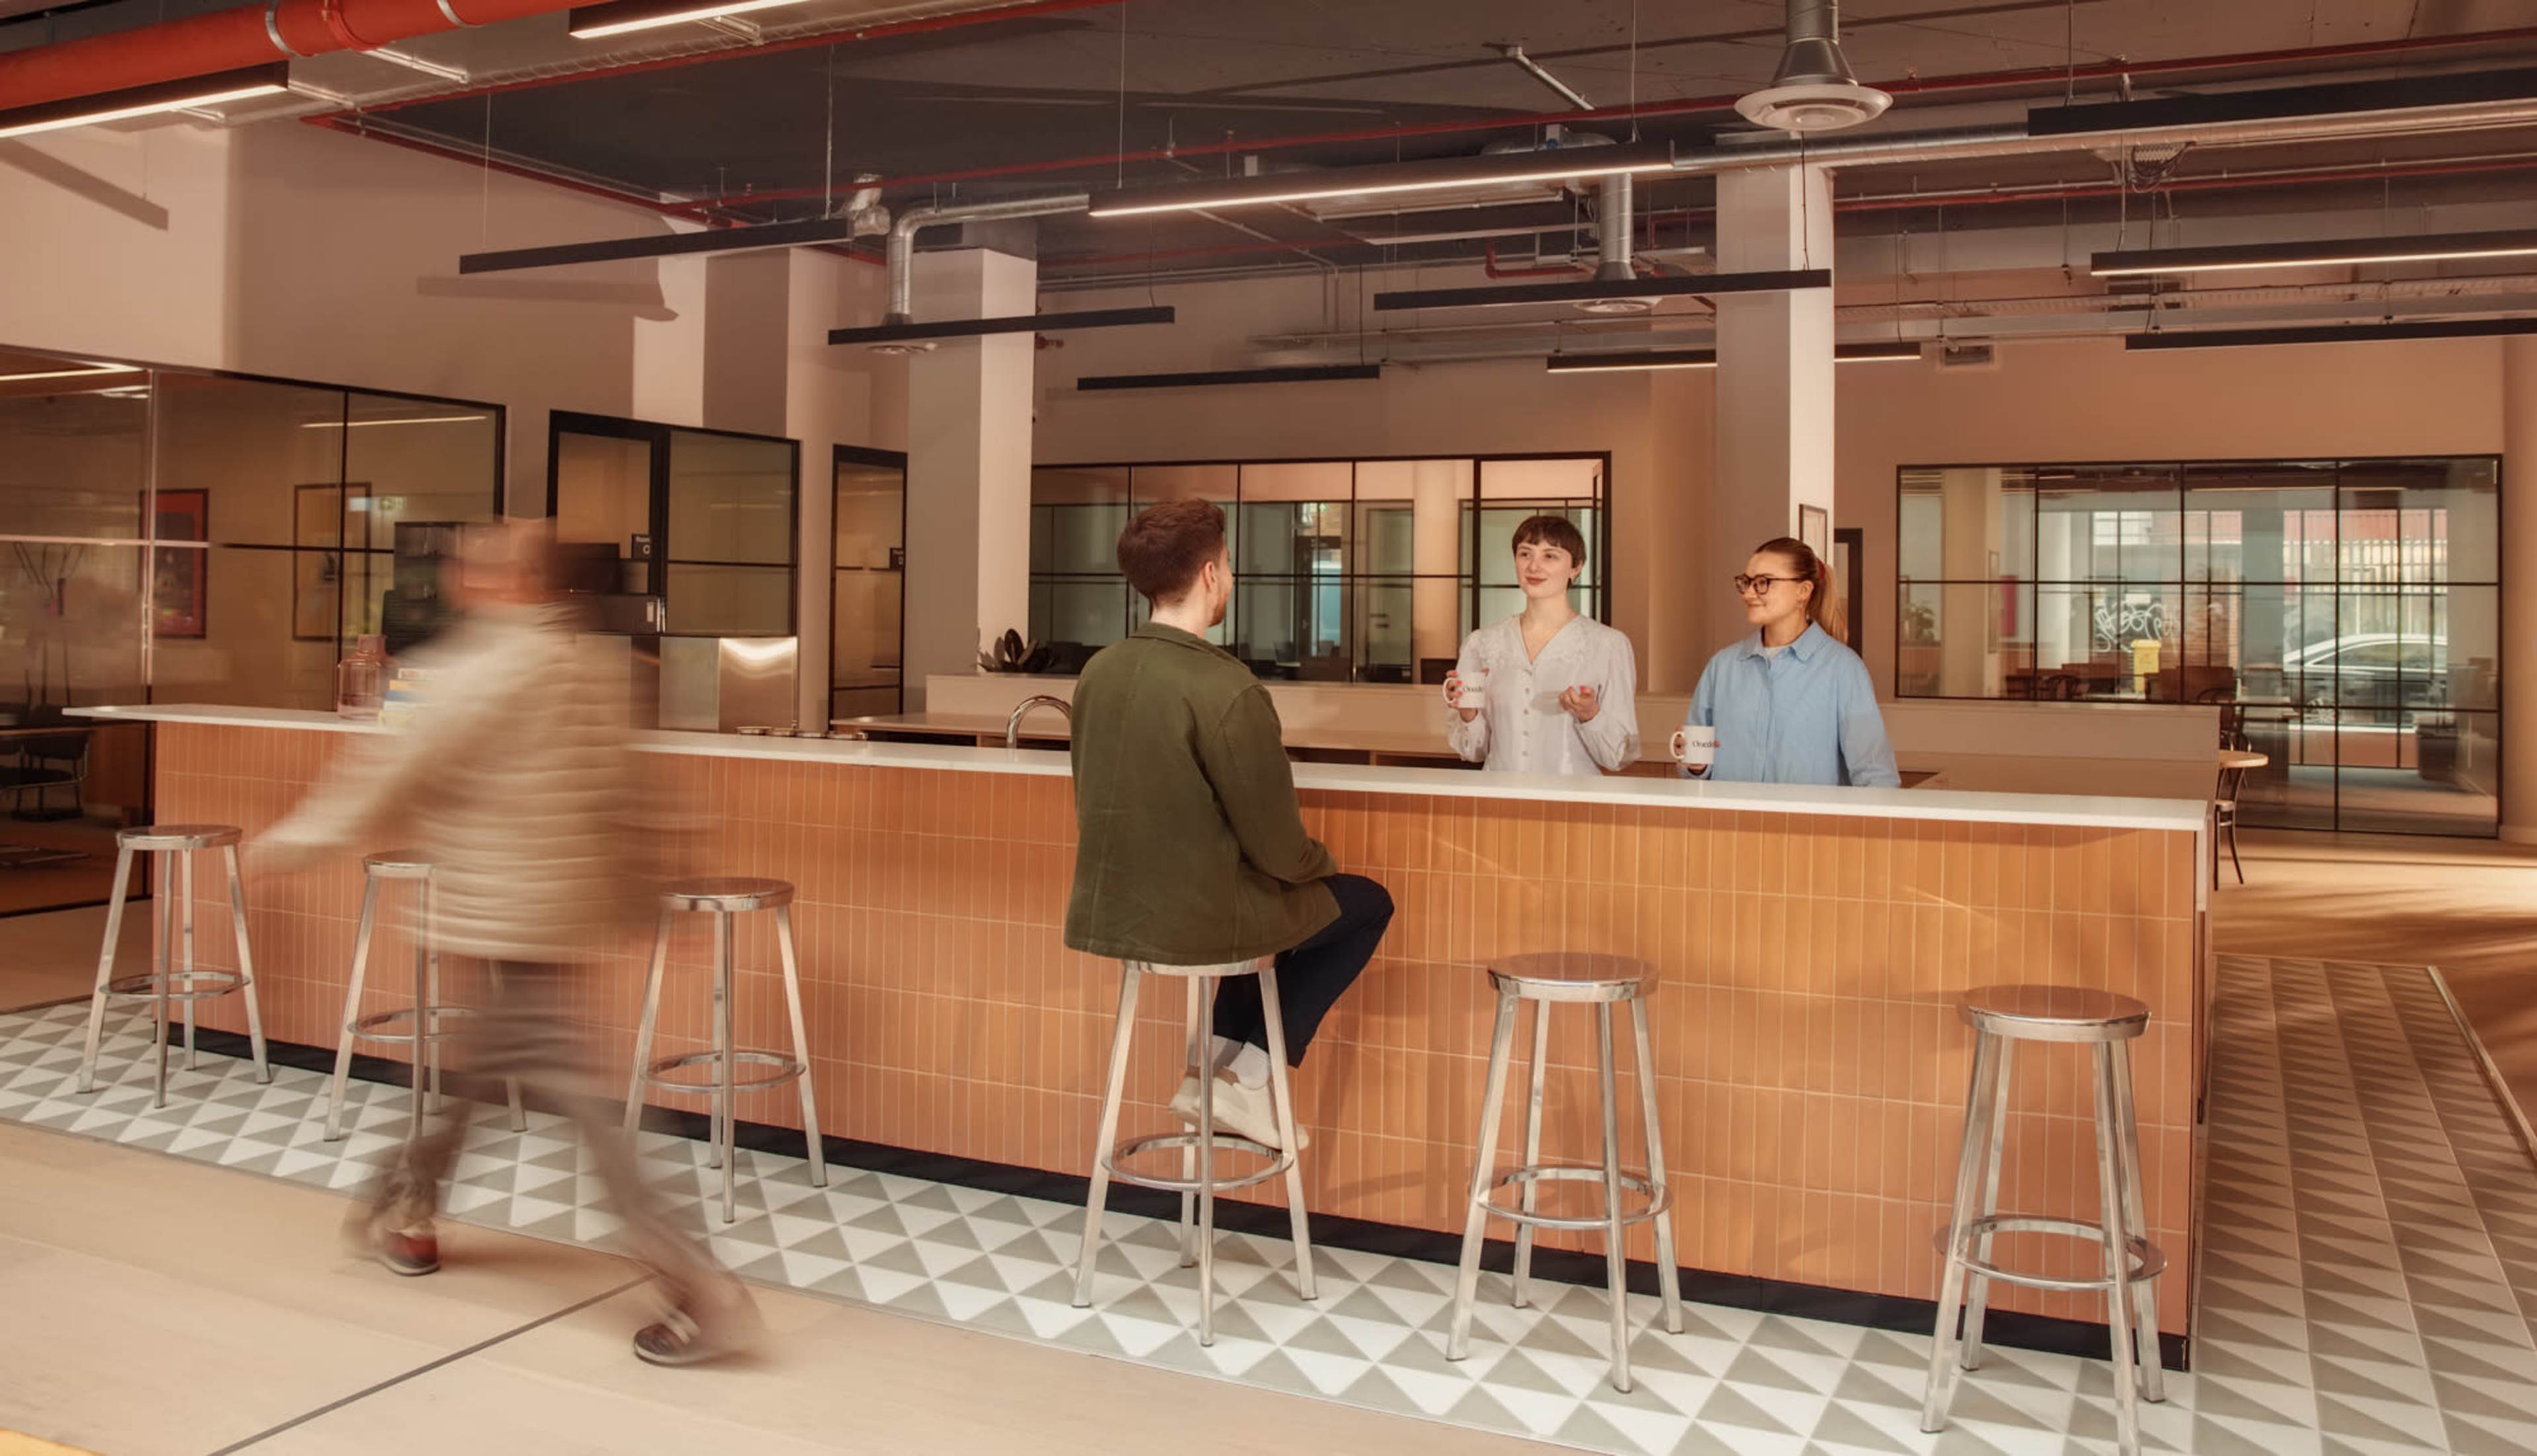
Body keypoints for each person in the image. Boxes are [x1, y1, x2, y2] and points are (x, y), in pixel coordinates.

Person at [258, 521, 758, 1367]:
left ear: (496, 582)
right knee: (472, 1070)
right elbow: (641, 794)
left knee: (585, 1106)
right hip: (566, 914)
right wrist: (654, 898)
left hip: (496, 913)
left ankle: (699, 1286)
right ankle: (408, 1212)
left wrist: (292, 843)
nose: (459, 577)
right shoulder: (598, 666)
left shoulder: (467, 672)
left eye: (469, 566)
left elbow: (383, 779)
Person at [1064, 498, 1393, 1150]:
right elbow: (1279, 848)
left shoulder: (1099, 671)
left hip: (1116, 911)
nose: (1232, 577)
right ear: (1211, 574)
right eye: (1230, 564)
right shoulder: (1226, 686)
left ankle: (1210, 1071)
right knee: (1365, 904)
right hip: (1201, 920)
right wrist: (1319, 864)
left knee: (1260, 908)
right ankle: (1251, 1078)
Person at [1684, 535, 1900, 788]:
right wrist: (1695, 766)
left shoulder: (1843, 670)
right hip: (1730, 815)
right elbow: (1696, 771)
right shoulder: (1722, 667)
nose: (1749, 593)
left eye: (1764, 582)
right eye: (1746, 582)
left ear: (1803, 591)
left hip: (1809, 816)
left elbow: (1877, 777)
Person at [1445, 513, 1640, 775]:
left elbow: (1620, 757)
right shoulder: (1481, 643)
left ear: (1576, 568)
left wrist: (1590, 714)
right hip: (1500, 795)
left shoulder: (1609, 645)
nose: (1534, 567)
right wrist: (1468, 714)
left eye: (1550, 556)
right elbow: (1473, 752)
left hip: (1573, 797)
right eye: (1525, 554)